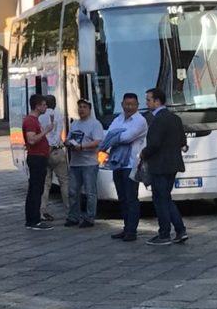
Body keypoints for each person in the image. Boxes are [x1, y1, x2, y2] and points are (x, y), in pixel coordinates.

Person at [141, 87, 188, 246]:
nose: (146, 103)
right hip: (173, 164)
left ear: (157, 101)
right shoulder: (175, 118)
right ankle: (180, 230)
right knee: (166, 198)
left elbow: (154, 144)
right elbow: (182, 141)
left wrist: (144, 154)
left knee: (160, 200)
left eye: (148, 100)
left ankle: (164, 233)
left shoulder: (158, 119)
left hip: (160, 165)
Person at [100, 93, 148, 242]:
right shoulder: (118, 118)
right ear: (122, 104)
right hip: (117, 163)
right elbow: (108, 135)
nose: (129, 107)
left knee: (131, 198)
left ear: (137, 105)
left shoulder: (140, 121)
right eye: (127, 104)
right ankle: (126, 227)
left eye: (133, 104)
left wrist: (115, 136)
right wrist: (116, 136)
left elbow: (127, 137)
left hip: (131, 164)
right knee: (122, 198)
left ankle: (132, 230)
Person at [65, 99, 104, 228]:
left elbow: (97, 142)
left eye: (84, 107)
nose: (81, 109)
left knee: (90, 192)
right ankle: (73, 217)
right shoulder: (75, 124)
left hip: (89, 163)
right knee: (72, 191)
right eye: (80, 107)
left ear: (89, 109)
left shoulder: (95, 124)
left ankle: (89, 217)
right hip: (75, 163)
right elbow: (69, 138)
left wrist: (82, 146)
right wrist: (67, 143)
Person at [23, 93, 55, 230]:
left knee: (36, 189)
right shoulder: (31, 121)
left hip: (39, 157)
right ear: (37, 106)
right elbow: (31, 139)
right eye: (43, 104)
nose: (46, 107)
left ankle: (32, 218)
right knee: (36, 189)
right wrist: (46, 131)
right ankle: (34, 220)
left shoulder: (34, 120)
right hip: (36, 158)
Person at [39, 95, 69, 221]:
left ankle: (42, 211)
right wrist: (53, 145)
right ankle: (69, 210)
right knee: (64, 182)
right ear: (55, 103)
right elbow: (57, 135)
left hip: (43, 152)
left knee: (45, 184)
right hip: (56, 152)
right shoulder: (58, 115)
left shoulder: (40, 116)